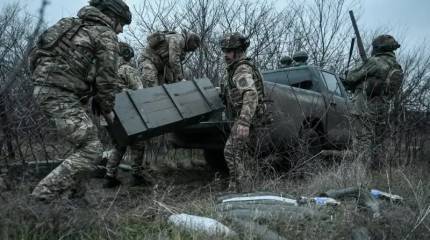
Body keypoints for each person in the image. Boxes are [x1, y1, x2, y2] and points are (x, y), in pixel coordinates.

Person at [29, 0, 131, 201]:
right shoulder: (105, 33)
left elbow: (36, 55)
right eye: (120, 23)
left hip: (48, 90)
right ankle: (40, 198)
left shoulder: (68, 24)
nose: (120, 30)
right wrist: (107, 108)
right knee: (92, 150)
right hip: (62, 95)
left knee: (85, 145)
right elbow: (108, 78)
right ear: (110, 16)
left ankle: (77, 198)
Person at [342, 34, 403, 168]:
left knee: (361, 140)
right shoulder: (395, 66)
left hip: (363, 107)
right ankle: (376, 171)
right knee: (377, 142)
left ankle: (360, 174)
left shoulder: (376, 62)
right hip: (381, 108)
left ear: (377, 48)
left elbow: (351, 78)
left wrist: (348, 76)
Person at [219, 32, 267, 191]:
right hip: (248, 117)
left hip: (248, 118)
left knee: (231, 152)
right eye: (224, 51)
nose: (225, 55)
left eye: (229, 51)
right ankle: (238, 187)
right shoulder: (235, 68)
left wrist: (244, 122)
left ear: (238, 51)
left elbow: (250, 93)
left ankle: (241, 190)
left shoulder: (241, 68)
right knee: (241, 155)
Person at [103, 42, 153, 188]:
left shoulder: (106, 71)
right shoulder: (127, 69)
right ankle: (137, 175)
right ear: (127, 55)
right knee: (138, 143)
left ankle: (109, 176)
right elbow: (140, 92)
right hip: (126, 114)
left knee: (119, 145)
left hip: (108, 115)